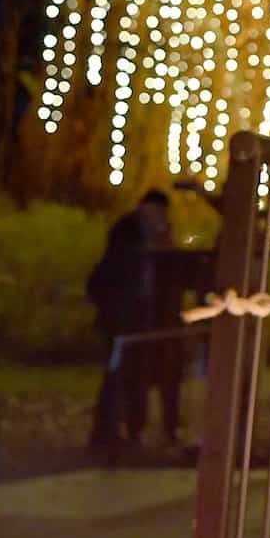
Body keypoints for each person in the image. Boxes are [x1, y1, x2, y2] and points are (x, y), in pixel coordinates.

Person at [86, 189, 170, 462]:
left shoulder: (146, 231)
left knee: (134, 372)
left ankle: (128, 428)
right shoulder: (129, 230)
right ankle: (108, 430)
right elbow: (122, 266)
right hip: (121, 312)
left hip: (136, 311)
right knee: (118, 372)